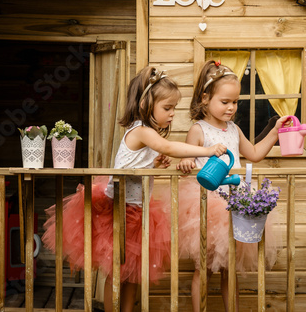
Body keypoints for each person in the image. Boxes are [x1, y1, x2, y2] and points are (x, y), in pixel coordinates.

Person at [41, 67, 227, 312]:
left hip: (136, 211)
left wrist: (154, 164)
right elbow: (169, 148)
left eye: (174, 108)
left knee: (132, 272)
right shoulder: (141, 130)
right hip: (118, 210)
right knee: (118, 270)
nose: (172, 114)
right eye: (167, 108)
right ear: (146, 105)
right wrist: (207, 150)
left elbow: (146, 161)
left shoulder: (148, 134)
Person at [176, 60, 289, 312]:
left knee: (230, 270)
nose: (231, 107)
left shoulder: (235, 130)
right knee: (202, 268)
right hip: (207, 207)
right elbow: (187, 156)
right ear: (205, 99)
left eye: (235, 102)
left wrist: (275, 132)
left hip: (235, 205)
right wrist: (185, 161)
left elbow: (255, 153)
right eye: (225, 102)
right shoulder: (198, 130)